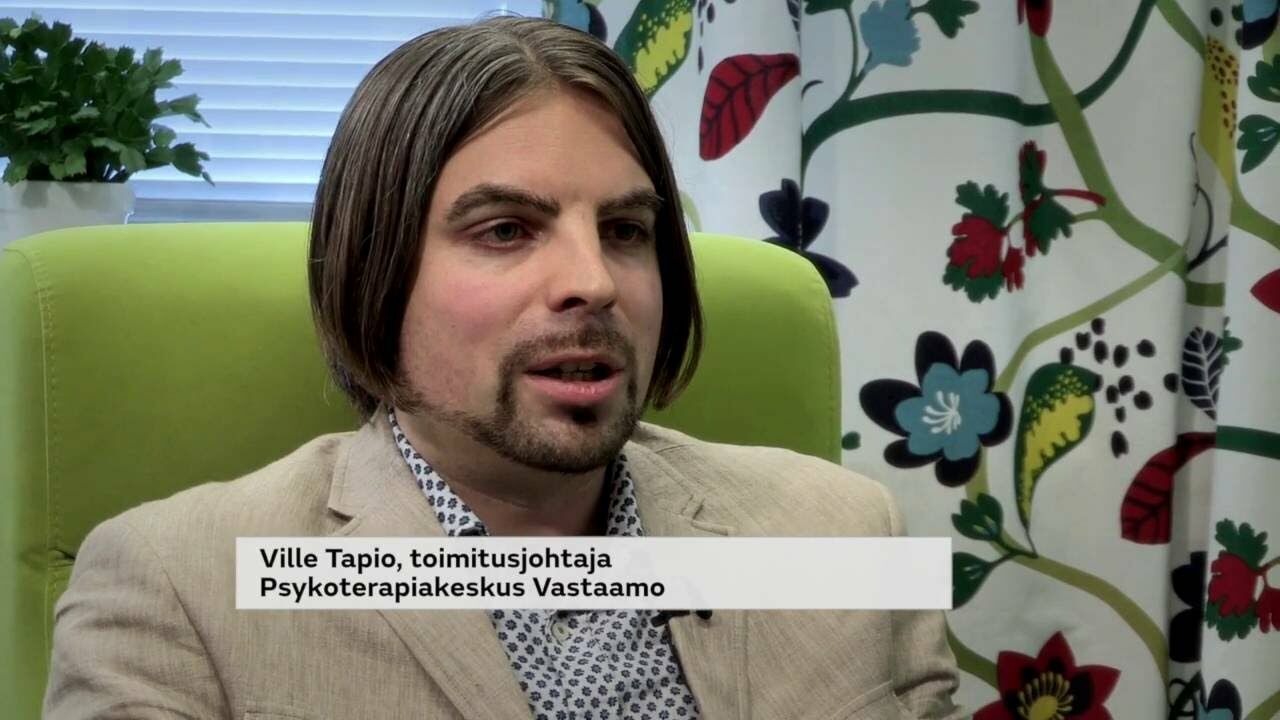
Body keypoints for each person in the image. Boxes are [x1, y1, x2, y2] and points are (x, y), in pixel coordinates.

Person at [44, 16, 962, 720]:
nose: (593, 281)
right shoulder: (175, 584)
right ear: (375, 268)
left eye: (626, 230)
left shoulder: (849, 534)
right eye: (506, 231)